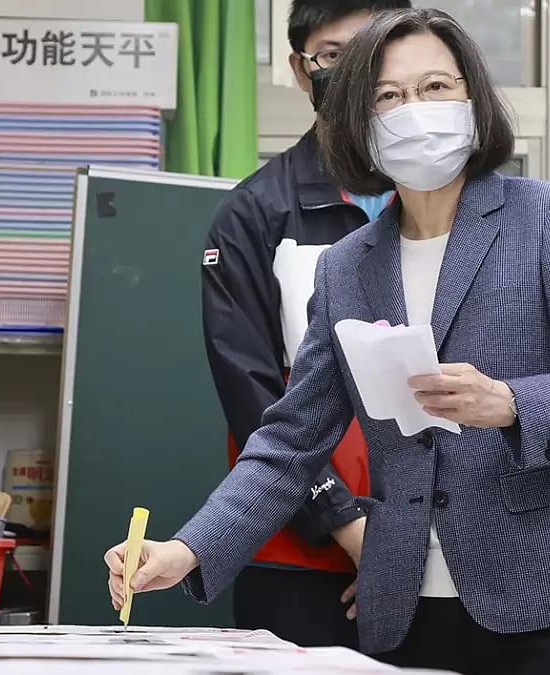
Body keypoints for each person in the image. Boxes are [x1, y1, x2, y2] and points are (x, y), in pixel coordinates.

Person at [106, 7, 550, 674]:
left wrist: (512, 401)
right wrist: (189, 549)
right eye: (388, 96)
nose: (415, 110)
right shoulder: (347, 266)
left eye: (436, 87)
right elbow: (290, 440)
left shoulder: (546, 219)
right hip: (406, 605)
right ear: (360, 122)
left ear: (474, 100)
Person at [198, 0, 411, 651]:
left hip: (440, 554)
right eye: (333, 55)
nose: (356, 73)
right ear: (299, 67)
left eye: (376, 50)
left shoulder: (452, 202)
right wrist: (347, 525)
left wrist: (413, 542)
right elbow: (253, 394)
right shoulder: (253, 215)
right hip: (299, 555)